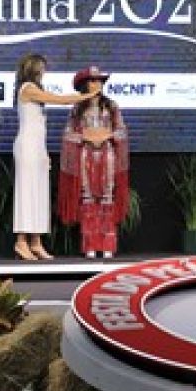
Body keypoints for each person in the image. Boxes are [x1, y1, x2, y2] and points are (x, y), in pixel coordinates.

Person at [11, 53, 84, 262]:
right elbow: (59, 100)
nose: (44, 71)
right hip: (27, 147)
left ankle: (36, 242)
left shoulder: (34, 89)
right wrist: (85, 96)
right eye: (41, 68)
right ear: (33, 69)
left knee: (39, 193)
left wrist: (44, 152)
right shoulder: (28, 88)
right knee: (27, 192)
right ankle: (21, 241)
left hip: (37, 147)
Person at [57, 66, 130, 259]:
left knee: (107, 196)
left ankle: (107, 245)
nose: (97, 84)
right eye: (93, 81)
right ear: (84, 85)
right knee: (88, 197)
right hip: (85, 156)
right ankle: (90, 244)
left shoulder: (111, 106)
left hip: (107, 155)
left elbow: (122, 131)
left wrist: (108, 135)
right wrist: (85, 137)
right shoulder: (77, 109)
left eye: (99, 81)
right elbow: (67, 133)